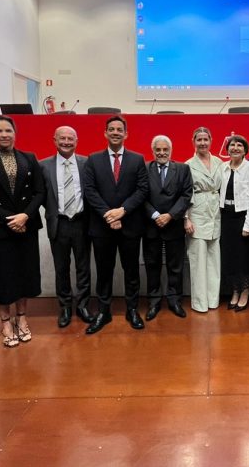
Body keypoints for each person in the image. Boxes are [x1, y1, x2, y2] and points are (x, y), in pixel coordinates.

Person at [0, 116, 45, 348]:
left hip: (26, 226)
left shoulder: (29, 158)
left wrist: (25, 216)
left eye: (8, 130)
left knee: (25, 274)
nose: (4, 135)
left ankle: (21, 318)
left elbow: (40, 192)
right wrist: (8, 219)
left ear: (15, 133)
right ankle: (5, 321)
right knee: (3, 276)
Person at [82, 115, 148, 333]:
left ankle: (132, 310)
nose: (116, 132)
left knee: (131, 271)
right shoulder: (93, 159)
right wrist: (108, 215)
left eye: (120, 129)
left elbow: (142, 190)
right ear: (105, 133)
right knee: (103, 271)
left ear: (126, 134)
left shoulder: (137, 159)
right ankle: (104, 312)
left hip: (130, 225)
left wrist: (123, 211)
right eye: (111, 129)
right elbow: (89, 190)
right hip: (102, 227)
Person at [40, 126, 94, 328]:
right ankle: (65, 307)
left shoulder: (87, 163)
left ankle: (83, 305)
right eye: (62, 138)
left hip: (82, 222)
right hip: (59, 223)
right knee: (61, 268)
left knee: (83, 267)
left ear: (76, 141)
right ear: (54, 140)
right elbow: (41, 195)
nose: (66, 142)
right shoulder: (43, 165)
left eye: (70, 138)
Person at [143, 135, 193, 320]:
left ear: (171, 150)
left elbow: (186, 195)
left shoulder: (182, 169)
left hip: (174, 225)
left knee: (175, 266)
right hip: (151, 226)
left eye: (165, 149)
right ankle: (154, 302)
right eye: (158, 149)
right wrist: (155, 215)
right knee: (152, 266)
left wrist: (170, 215)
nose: (162, 153)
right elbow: (140, 194)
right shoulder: (144, 168)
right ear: (153, 151)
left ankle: (174, 300)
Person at [219, 135, 249, 311]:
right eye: (232, 145)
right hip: (226, 218)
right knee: (230, 258)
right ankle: (235, 291)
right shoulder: (222, 167)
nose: (235, 148)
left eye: (239, 145)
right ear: (227, 149)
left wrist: (248, 224)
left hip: (243, 218)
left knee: (244, 259)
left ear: (245, 150)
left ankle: (245, 292)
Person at [184, 127, 224, 312]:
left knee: (214, 261)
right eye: (199, 140)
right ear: (193, 141)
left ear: (211, 140)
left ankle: (213, 300)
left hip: (216, 214)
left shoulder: (219, 162)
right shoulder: (188, 165)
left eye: (205, 139)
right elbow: (185, 194)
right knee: (198, 261)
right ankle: (200, 303)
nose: (202, 143)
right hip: (197, 213)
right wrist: (186, 218)